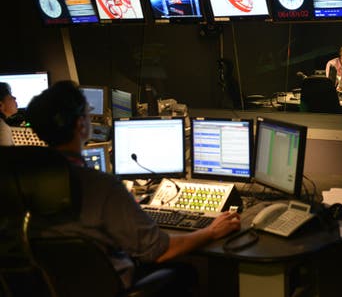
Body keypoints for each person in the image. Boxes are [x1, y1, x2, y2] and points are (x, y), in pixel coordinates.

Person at [25, 80, 241, 291]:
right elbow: (158, 251)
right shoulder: (102, 187)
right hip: (113, 285)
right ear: (81, 125)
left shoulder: (23, 184)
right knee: (186, 272)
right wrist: (212, 231)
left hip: (56, 288)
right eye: (88, 114)